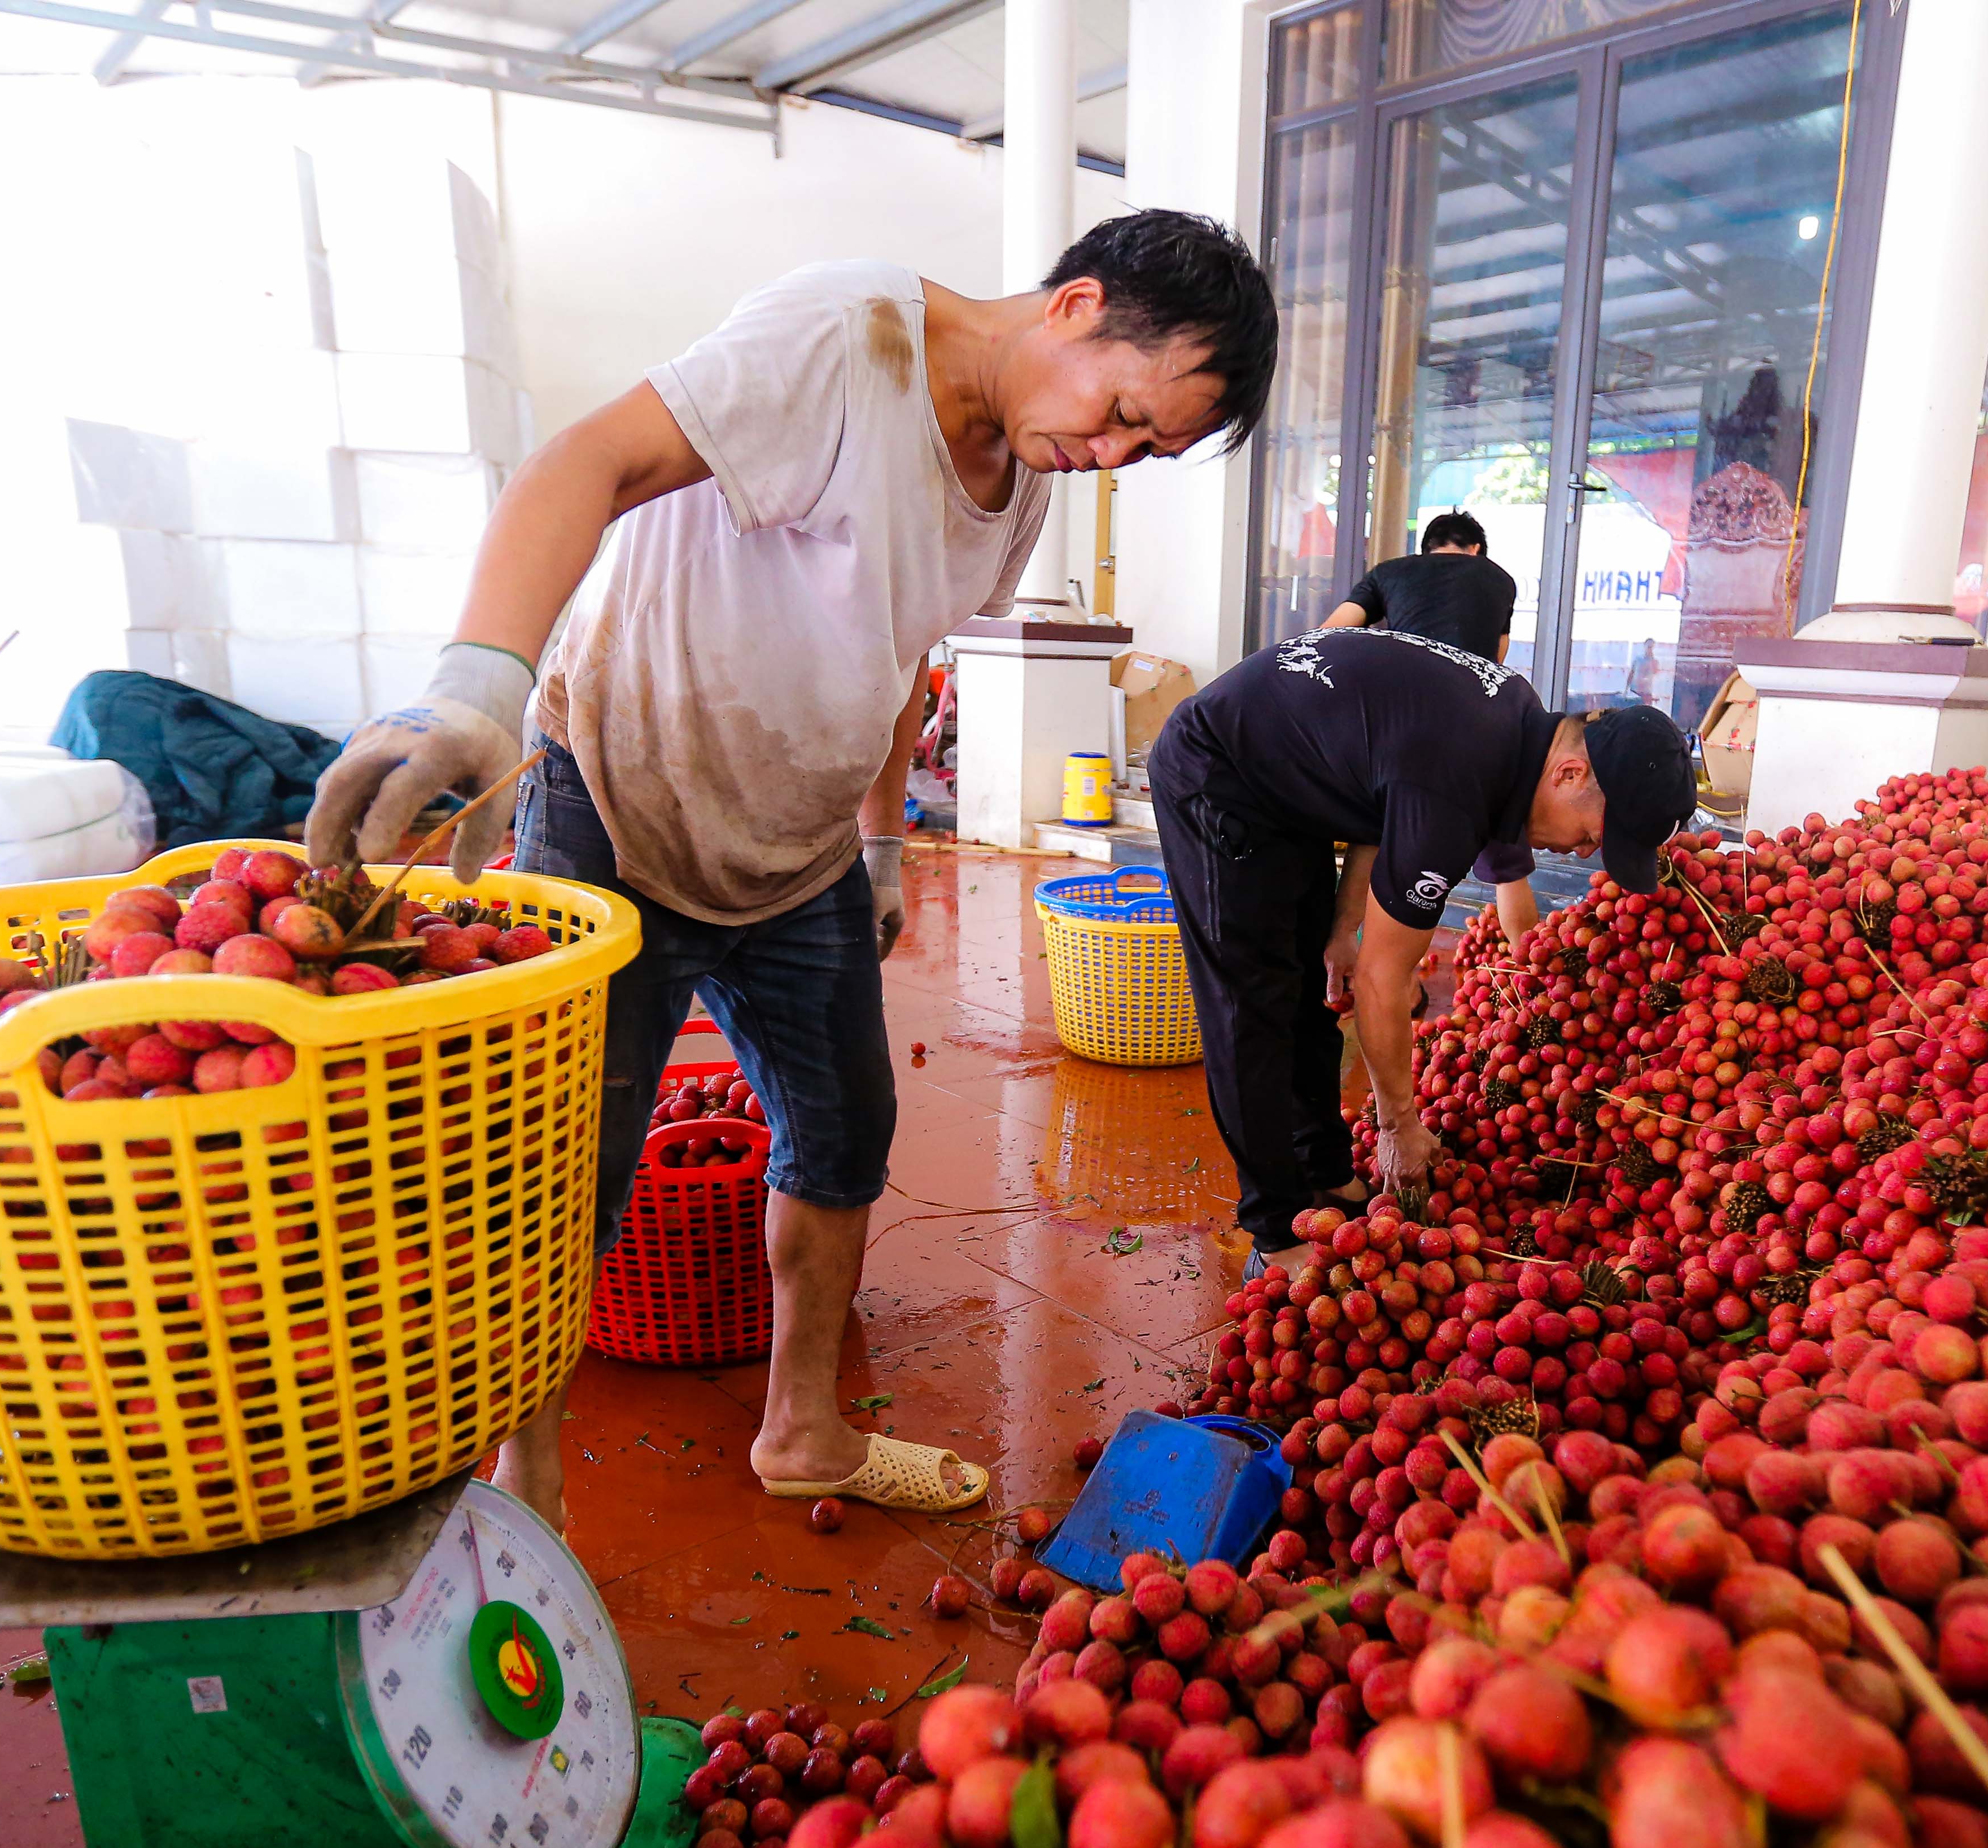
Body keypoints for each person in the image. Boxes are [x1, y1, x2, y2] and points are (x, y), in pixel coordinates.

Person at [305, 211, 1275, 1526]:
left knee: (842, 1133)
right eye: (1117, 412)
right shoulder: (847, 337)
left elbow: (898, 655)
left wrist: (877, 845)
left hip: (797, 842)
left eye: (1138, 451)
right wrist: (478, 682)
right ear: (1074, 306)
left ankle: (802, 1429)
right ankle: (516, 1484)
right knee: (562, 1176)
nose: (1104, 455)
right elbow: (586, 460)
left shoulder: (1022, 476)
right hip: (624, 800)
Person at [1147, 626, 1697, 1277]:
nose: (1584, 852)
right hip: (1220, 771)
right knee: (1252, 1007)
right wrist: (1397, 1124)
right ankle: (1274, 1231)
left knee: (1309, 990)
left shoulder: (1515, 722)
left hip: (1291, 786)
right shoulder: (1459, 781)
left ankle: (1324, 1171)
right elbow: (1386, 979)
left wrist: (1345, 921)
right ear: (1569, 772)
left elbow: (1380, 794)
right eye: (1595, 834)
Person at [1321, 512, 1539, 943]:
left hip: (1397, 726)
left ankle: (1342, 943)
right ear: (1476, 549)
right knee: (1506, 860)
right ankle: (1529, 975)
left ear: (1427, 548)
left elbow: (1331, 632)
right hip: (1478, 726)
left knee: (1373, 829)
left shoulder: (1389, 573)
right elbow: (1494, 658)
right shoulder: (1499, 580)